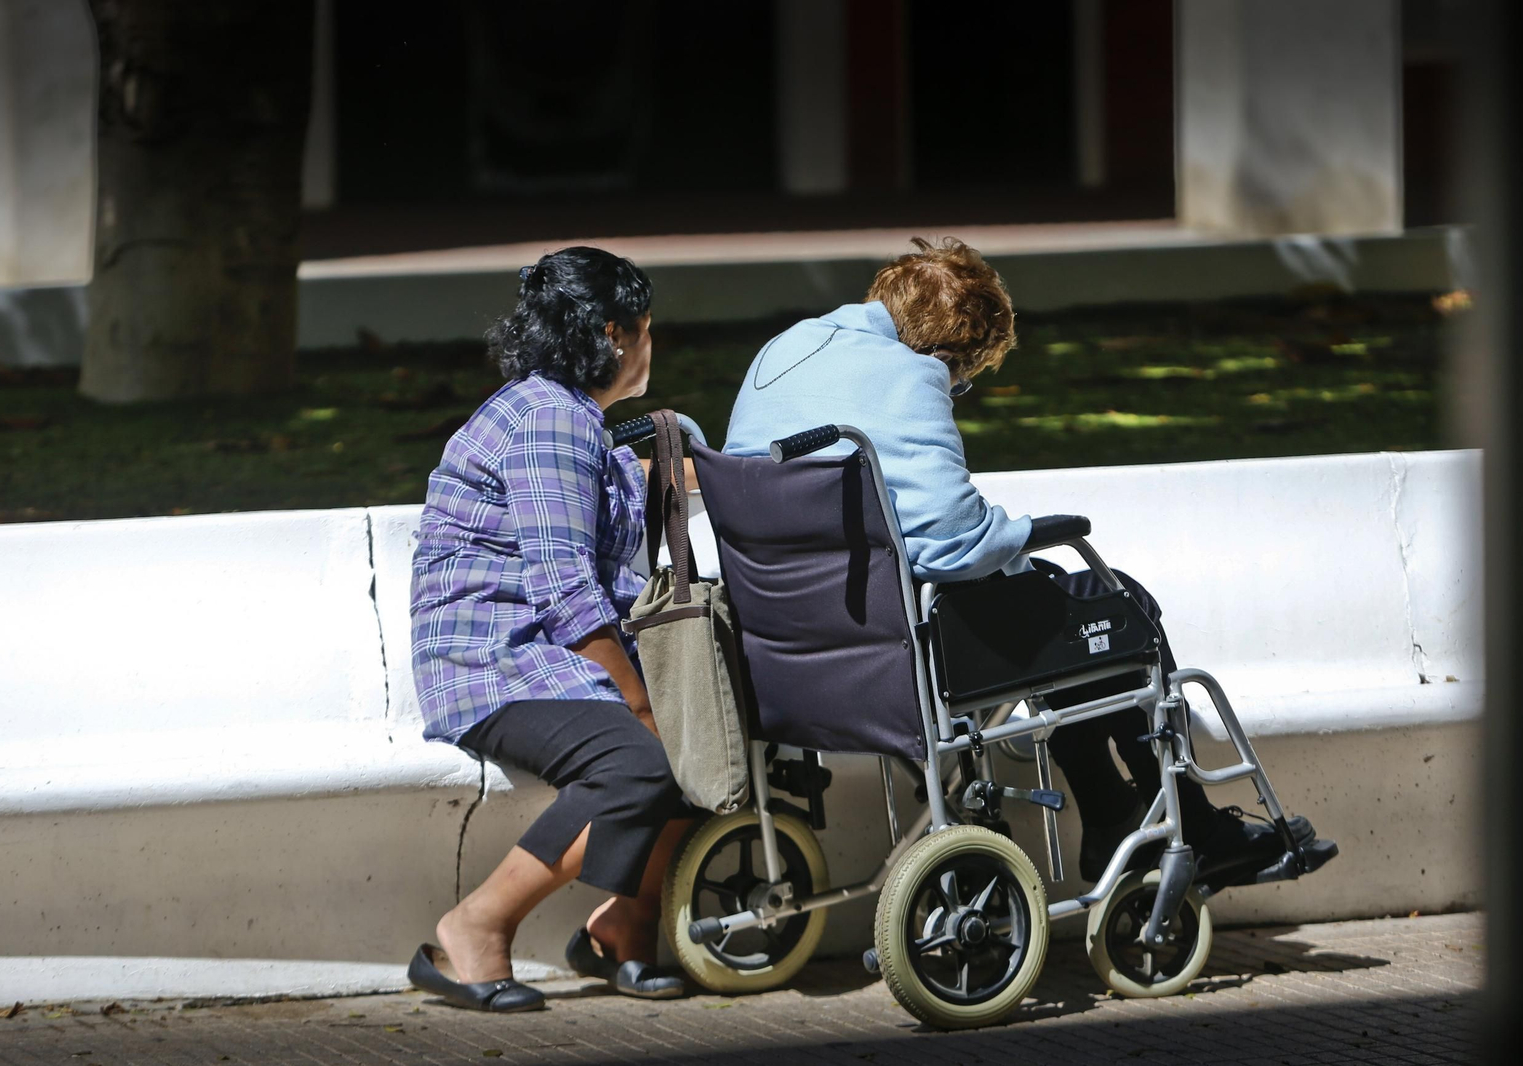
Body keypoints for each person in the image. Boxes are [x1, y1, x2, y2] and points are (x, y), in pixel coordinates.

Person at [724, 237, 1316, 883]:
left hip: (786, 649)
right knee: (1114, 603)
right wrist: (1025, 531)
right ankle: (1189, 826)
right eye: (967, 378)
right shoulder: (910, 374)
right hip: (896, 653)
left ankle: (1114, 811)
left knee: (1062, 606)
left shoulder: (781, 353)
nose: (959, 388)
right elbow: (957, 542)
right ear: (948, 355)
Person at [406, 247, 689, 1012]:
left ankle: (623, 933)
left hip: (537, 658)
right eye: (647, 331)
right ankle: (474, 927)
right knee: (639, 761)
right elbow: (566, 591)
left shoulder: (566, 417)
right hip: (495, 665)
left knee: (704, 730)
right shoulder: (548, 421)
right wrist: (639, 704)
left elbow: (605, 493)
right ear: (615, 334)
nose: (649, 347)